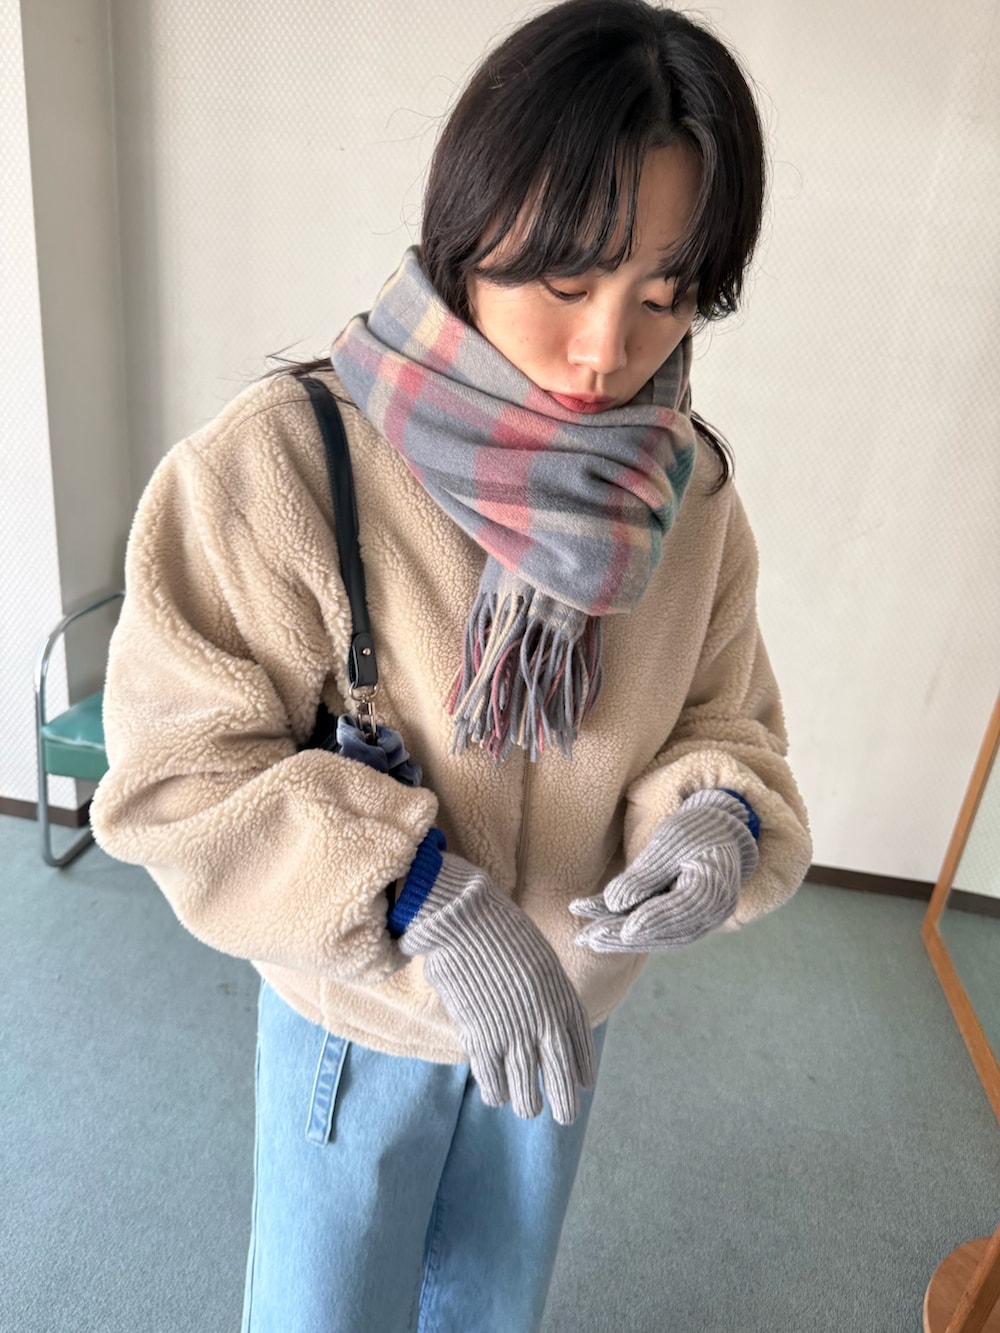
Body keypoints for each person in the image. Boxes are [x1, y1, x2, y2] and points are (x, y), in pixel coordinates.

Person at [91, 1, 812, 1329]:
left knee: (490, 1308)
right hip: (360, 1019)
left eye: (665, 296)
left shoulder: (690, 496)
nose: (607, 352)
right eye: (568, 281)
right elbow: (174, 777)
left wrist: (713, 817)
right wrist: (418, 888)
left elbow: (723, 722)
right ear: (473, 228)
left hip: (563, 1016)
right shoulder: (284, 465)